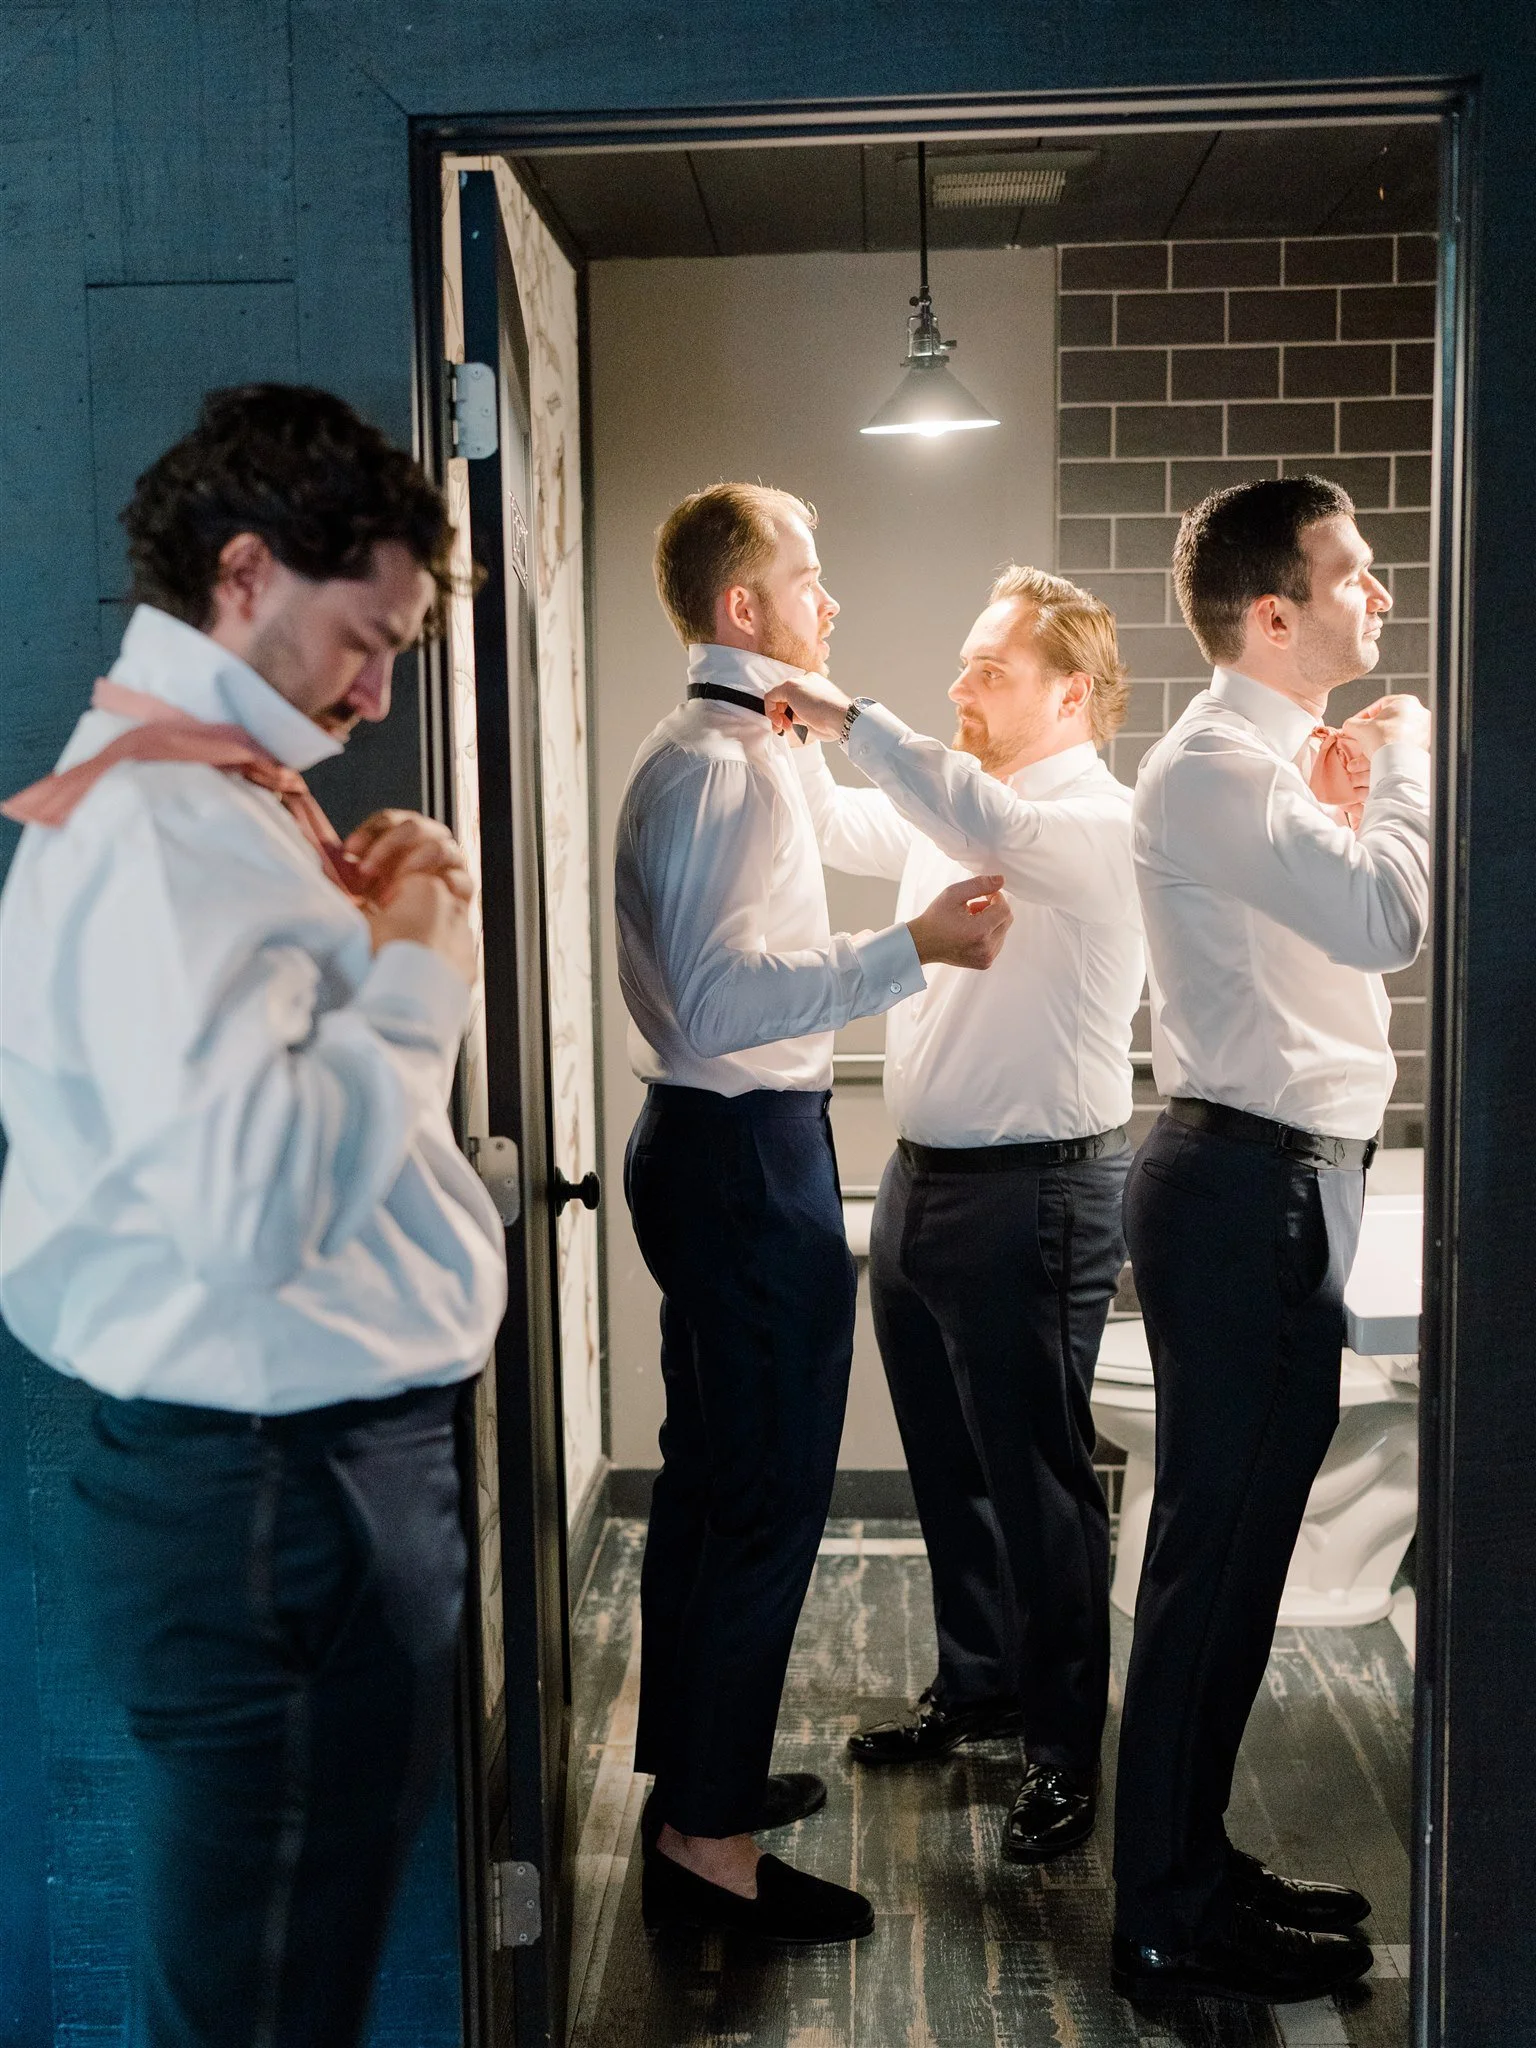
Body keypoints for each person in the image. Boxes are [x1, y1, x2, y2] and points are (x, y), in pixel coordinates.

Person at [0, 385, 508, 2047]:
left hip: (300, 1490)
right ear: (243, 574)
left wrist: (365, 930)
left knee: (289, 1986)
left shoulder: (219, 810)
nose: (376, 696)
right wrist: (426, 958)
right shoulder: (162, 827)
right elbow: (259, 1201)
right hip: (279, 1506)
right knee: (264, 2010)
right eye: (366, 640)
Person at [615, 482, 1011, 1945]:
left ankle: (691, 1787)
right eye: (810, 575)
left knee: (716, 1484)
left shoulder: (738, 746)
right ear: (744, 610)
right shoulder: (718, 769)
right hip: (743, 1152)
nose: (829, 601)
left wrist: (895, 747)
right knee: (769, 1501)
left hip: (715, 1148)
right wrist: (911, 950)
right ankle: (708, 1850)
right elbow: (725, 997)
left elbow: (837, 830)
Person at [1109, 476, 1431, 2007]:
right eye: (1355, 573)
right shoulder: (1218, 771)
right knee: (1209, 1568)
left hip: (1276, 1183)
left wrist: (1354, 789)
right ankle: (1164, 1920)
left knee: (1230, 1569)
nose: (1382, 593)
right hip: (1246, 1190)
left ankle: (1194, 1865)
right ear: (1275, 611)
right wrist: (1414, 753)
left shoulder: (1265, 767)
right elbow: (1390, 923)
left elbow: (1324, 949)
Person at [766, 567, 1143, 1862]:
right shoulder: (958, 814)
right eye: (965, 663)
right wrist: (768, 715)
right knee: (948, 1465)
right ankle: (978, 1683)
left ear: (1070, 693)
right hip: (925, 1184)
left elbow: (964, 807)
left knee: (1036, 1484)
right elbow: (831, 824)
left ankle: (1059, 1748)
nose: (960, 684)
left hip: (1038, 1192)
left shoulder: (1093, 821)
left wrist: (841, 708)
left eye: (989, 668)